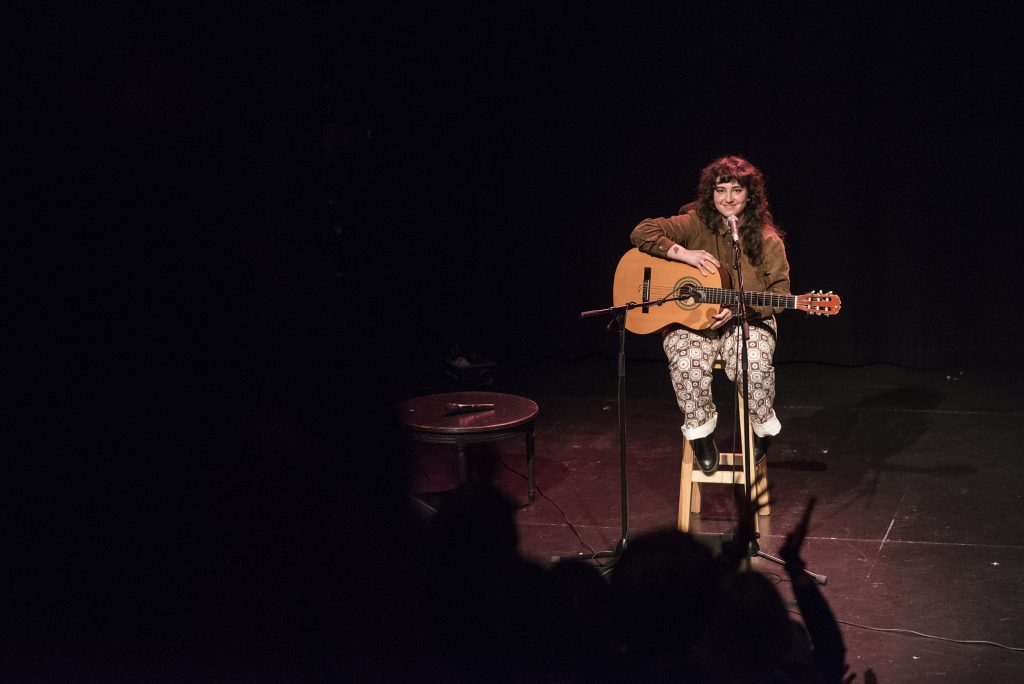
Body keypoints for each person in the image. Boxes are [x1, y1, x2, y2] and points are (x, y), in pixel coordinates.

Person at [629, 155, 790, 474]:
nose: (728, 198)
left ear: (750, 195)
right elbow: (642, 231)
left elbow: (781, 295)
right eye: (720, 190)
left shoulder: (768, 240)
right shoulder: (694, 223)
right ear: (710, 193)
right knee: (687, 362)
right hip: (692, 323)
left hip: (747, 321)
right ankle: (701, 434)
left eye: (737, 190)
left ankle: (762, 430)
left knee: (752, 364)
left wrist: (739, 309)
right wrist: (684, 254)